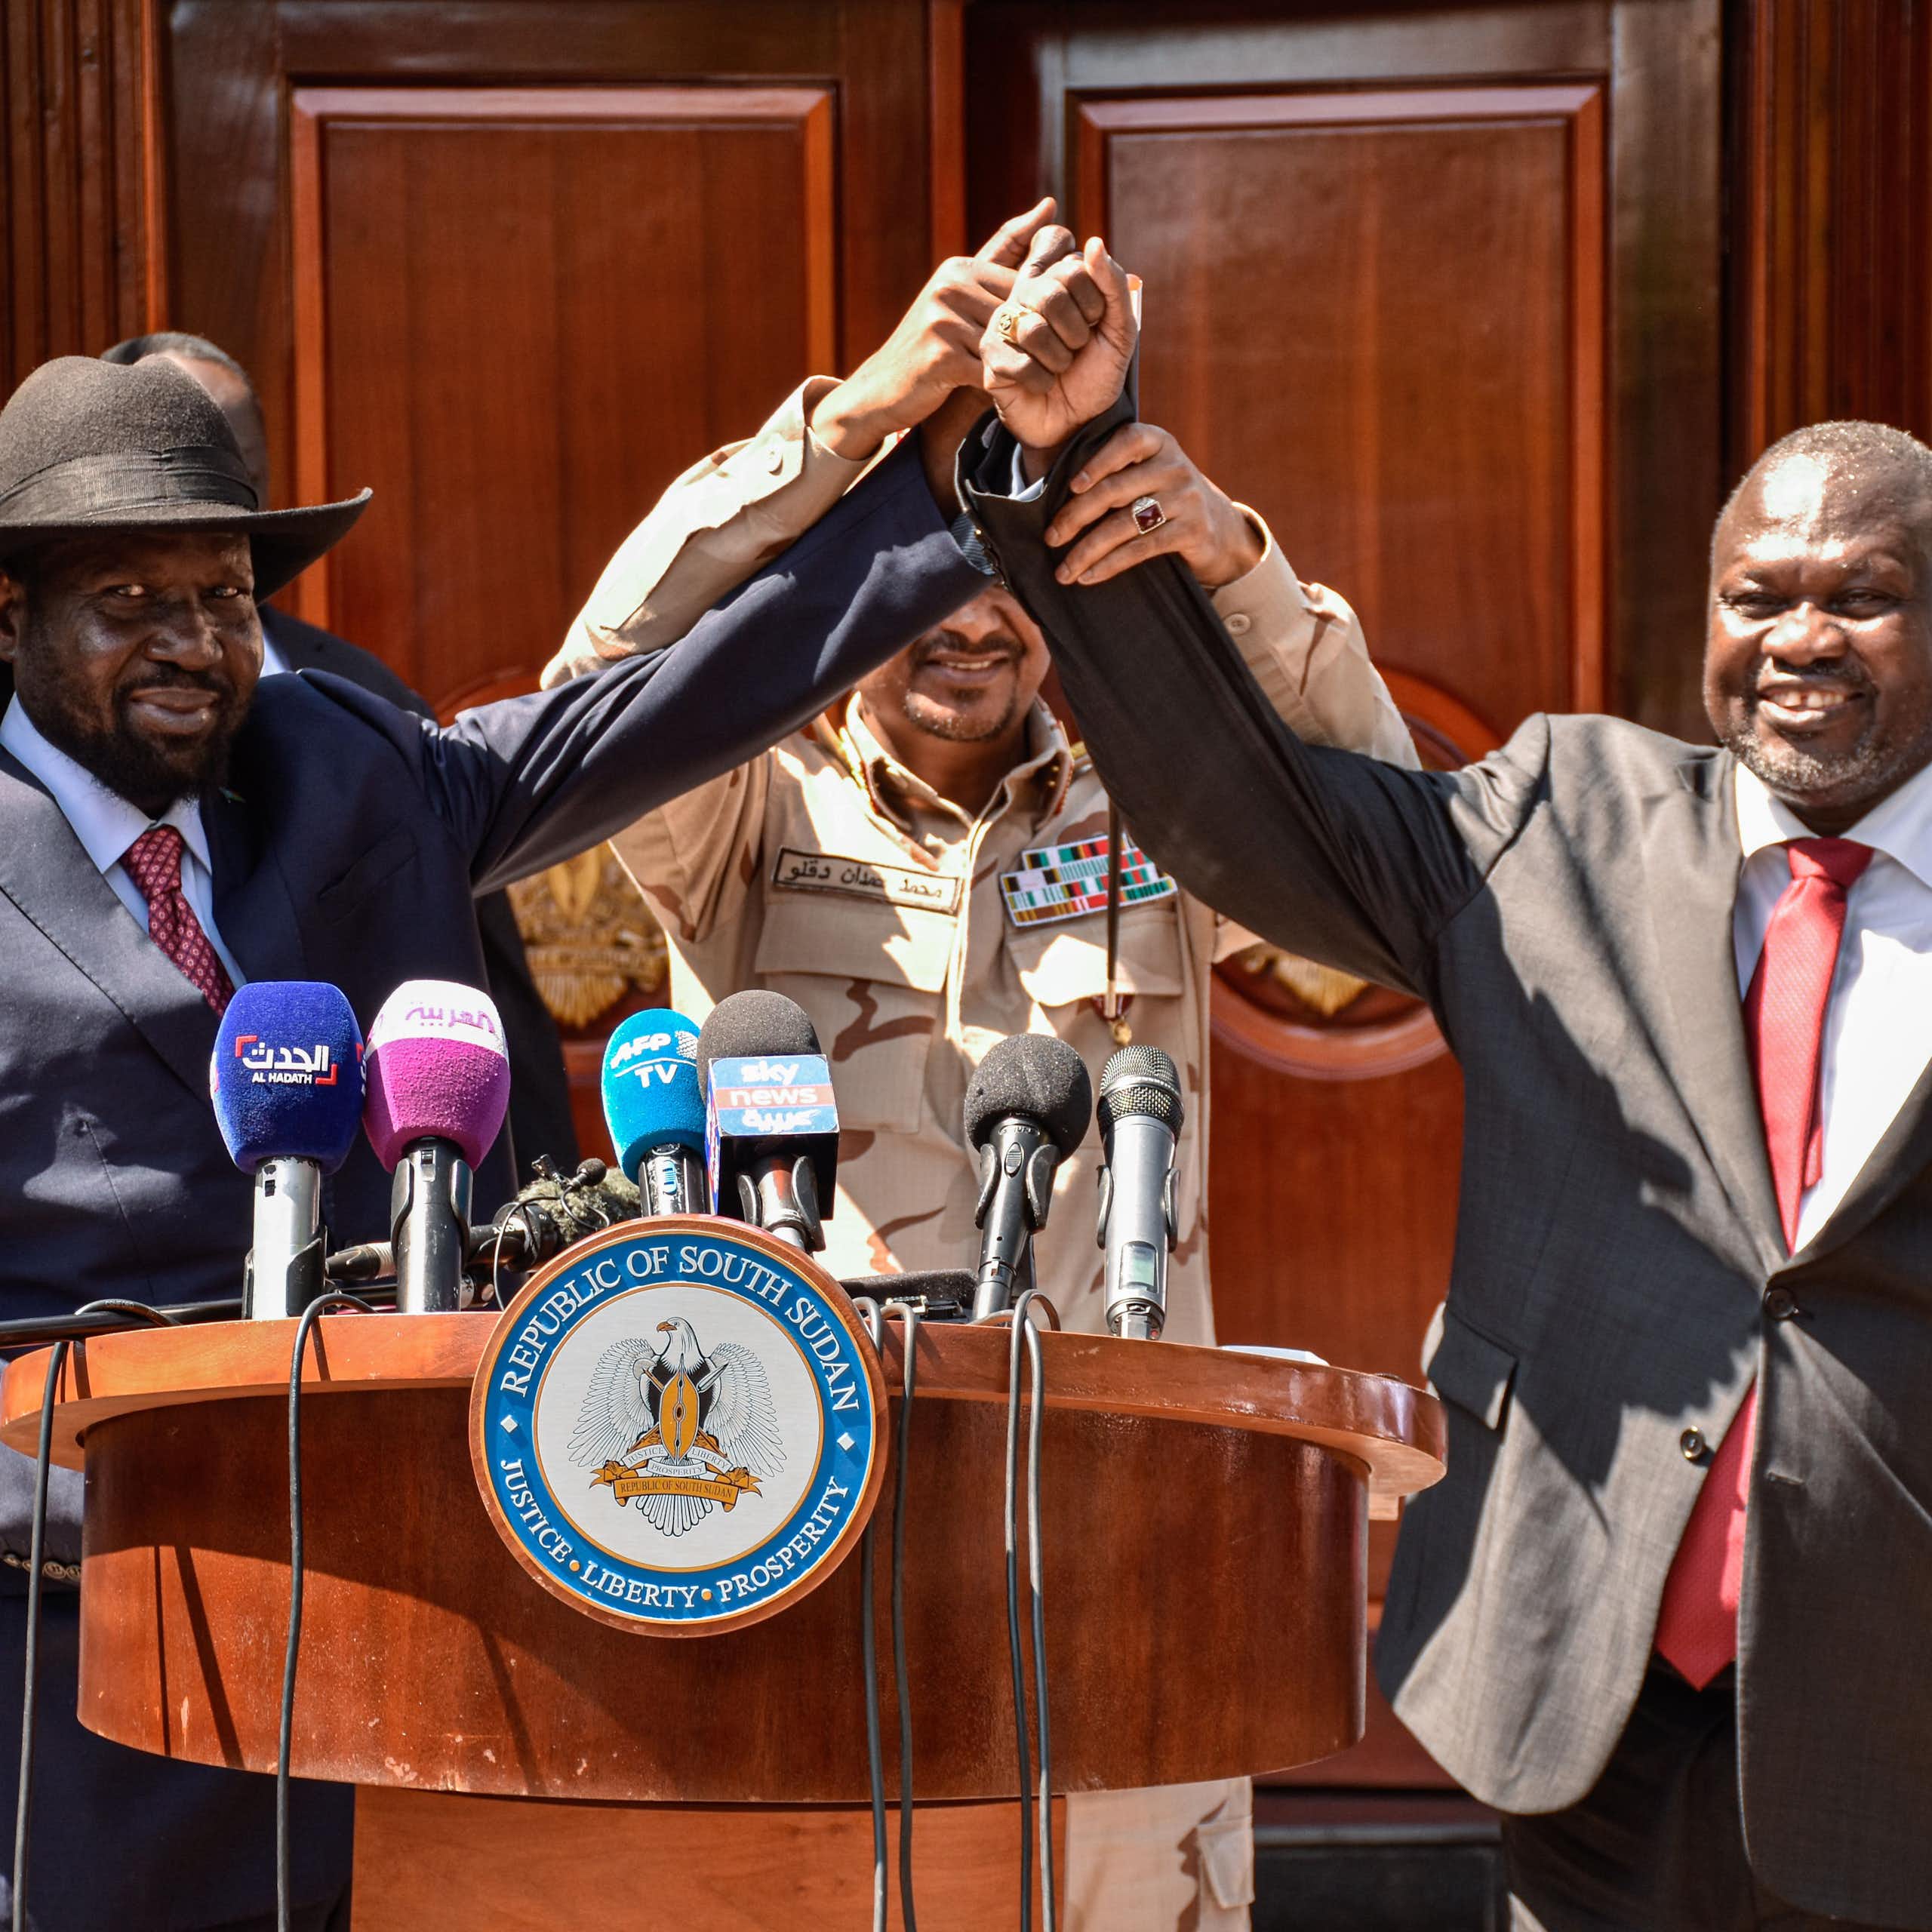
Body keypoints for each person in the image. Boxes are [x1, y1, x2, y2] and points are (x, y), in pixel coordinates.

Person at [957, 229, 1932, 1930]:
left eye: (1856, 594)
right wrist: (1070, 468)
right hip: (1585, 1678)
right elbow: (1247, 813)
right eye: (1753, 594)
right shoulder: (1562, 815)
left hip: (1896, 1703)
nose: (1795, 638)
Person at [0, 306, 987, 1929]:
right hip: (75, 1641)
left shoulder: (341, 765)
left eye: (225, 601)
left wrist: (958, 489)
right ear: (14, 614)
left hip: (423, 1602)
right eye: (129, 603)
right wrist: (104, 1504)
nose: (193, 642)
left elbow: (673, 700)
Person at [541, 214, 1414, 1932]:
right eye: (931, 554)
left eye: (1004, 563)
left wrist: (1225, 557)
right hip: (792, 1494)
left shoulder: (1161, 813)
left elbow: (1384, 881)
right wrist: (855, 422)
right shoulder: (743, 809)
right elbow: (598, 696)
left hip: (1115, 1516)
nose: (971, 615)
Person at [99, 329, 580, 1176]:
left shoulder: (370, 707)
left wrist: (536, 1202)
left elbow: (477, 986)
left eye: (233, 461)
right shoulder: (37, 720)